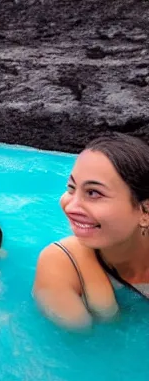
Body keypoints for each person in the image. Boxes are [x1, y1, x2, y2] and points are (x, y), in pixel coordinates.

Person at [33, 133, 149, 330]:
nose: (70, 206)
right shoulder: (61, 264)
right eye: (71, 188)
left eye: (93, 193)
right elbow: (86, 346)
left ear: (145, 211)